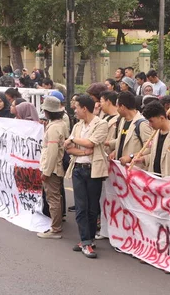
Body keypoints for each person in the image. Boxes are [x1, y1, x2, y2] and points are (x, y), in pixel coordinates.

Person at [64, 94, 108, 258]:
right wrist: (82, 150)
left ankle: (88, 238)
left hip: (93, 169)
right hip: (78, 168)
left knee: (92, 207)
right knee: (81, 206)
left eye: (76, 107)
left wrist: (74, 140)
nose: (74, 111)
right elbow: (69, 148)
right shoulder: (77, 126)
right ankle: (85, 241)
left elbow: (91, 143)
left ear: (84, 108)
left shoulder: (101, 124)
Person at [37, 96, 69, 239]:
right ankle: (57, 223)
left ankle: (55, 228)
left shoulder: (54, 128)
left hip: (53, 168)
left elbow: (52, 152)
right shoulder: (59, 124)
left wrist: (46, 171)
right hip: (56, 166)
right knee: (56, 196)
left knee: (53, 198)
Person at [132, 102, 170, 177]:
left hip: (167, 181)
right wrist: (144, 159)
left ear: (161, 118)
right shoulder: (155, 133)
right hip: (154, 179)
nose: (150, 125)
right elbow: (157, 155)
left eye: (151, 121)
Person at [108, 91, 149, 166]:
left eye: (117, 106)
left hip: (135, 170)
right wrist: (115, 151)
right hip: (122, 170)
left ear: (122, 107)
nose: (116, 109)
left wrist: (131, 156)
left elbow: (149, 148)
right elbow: (124, 140)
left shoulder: (142, 124)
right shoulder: (122, 120)